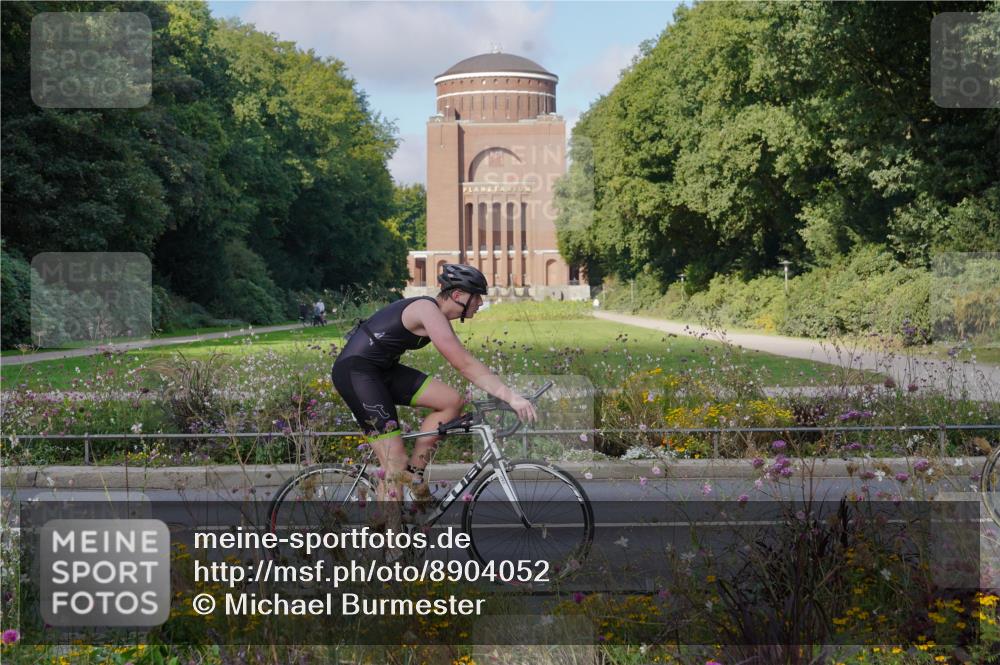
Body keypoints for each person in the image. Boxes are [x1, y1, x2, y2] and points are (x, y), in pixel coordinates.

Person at [331, 264, 537, 517]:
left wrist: (504, 393)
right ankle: (393, 550)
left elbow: (465, 360)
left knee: (451, 400)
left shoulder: (434, 314)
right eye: (477, 295)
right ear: (459, 295)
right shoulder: (426, 310)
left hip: (381, 370)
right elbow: (463, 363)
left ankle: (414, 477)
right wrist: (511, 397)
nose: (481, 302)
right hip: (356, 372)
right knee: (393, 462)